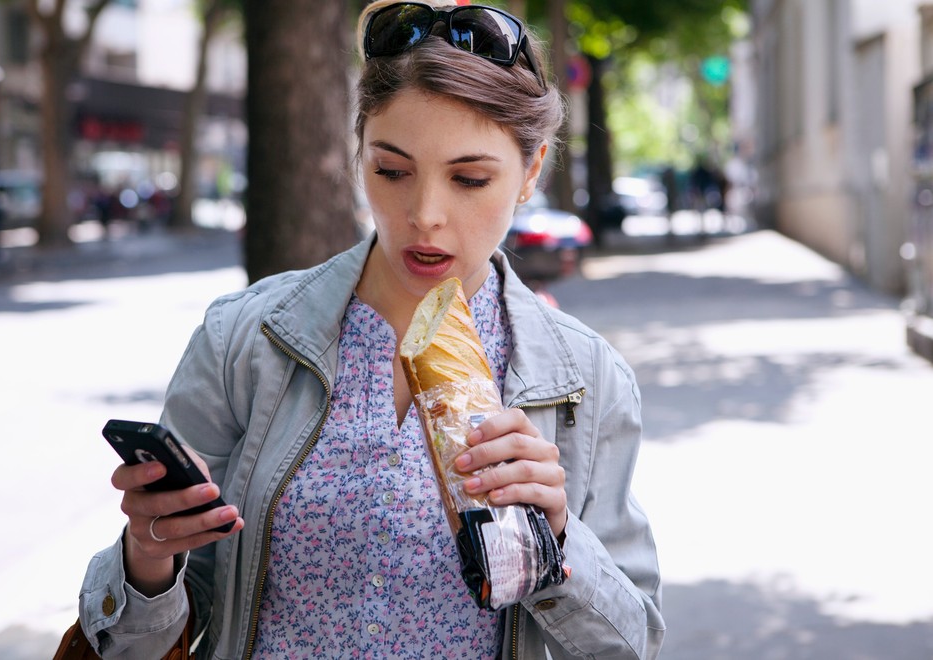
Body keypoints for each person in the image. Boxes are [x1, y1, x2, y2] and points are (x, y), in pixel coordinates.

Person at [78, 2, 664, 658]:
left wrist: (556, 538)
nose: (425, 215)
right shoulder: (243, 342)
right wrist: (147, 560)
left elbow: (631, 643)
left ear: (531, 172)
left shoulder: (586, 381)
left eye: (469, 179)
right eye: (392, 170)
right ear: (359, 152)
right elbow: (138, 643)